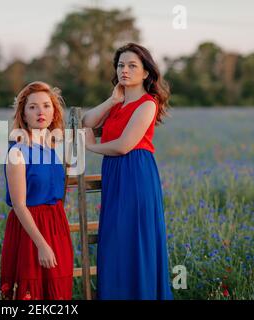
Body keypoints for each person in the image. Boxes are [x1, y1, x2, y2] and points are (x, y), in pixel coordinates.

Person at [82, 43, 174, 300]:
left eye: (133, 65)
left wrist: (91, 146)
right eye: (121, 65)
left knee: (133, 239)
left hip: (136, 175)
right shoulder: (117, 104)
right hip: (116, 176)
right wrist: (112, 100)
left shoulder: (148, 104)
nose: (125, 70)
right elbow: (86, 120)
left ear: (146, 73)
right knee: (115, 241)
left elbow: (124, 146)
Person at [0, 81, 74, 300]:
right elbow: (19, 205)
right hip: (30, 230)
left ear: (54, 112)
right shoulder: (18, 152)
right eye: (32, 107)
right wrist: (41, 244)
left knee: (59, 294)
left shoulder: (52, 148)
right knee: (32, 294)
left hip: (56, 224)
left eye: (46, 105)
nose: (40, 111)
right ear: (23, 114)